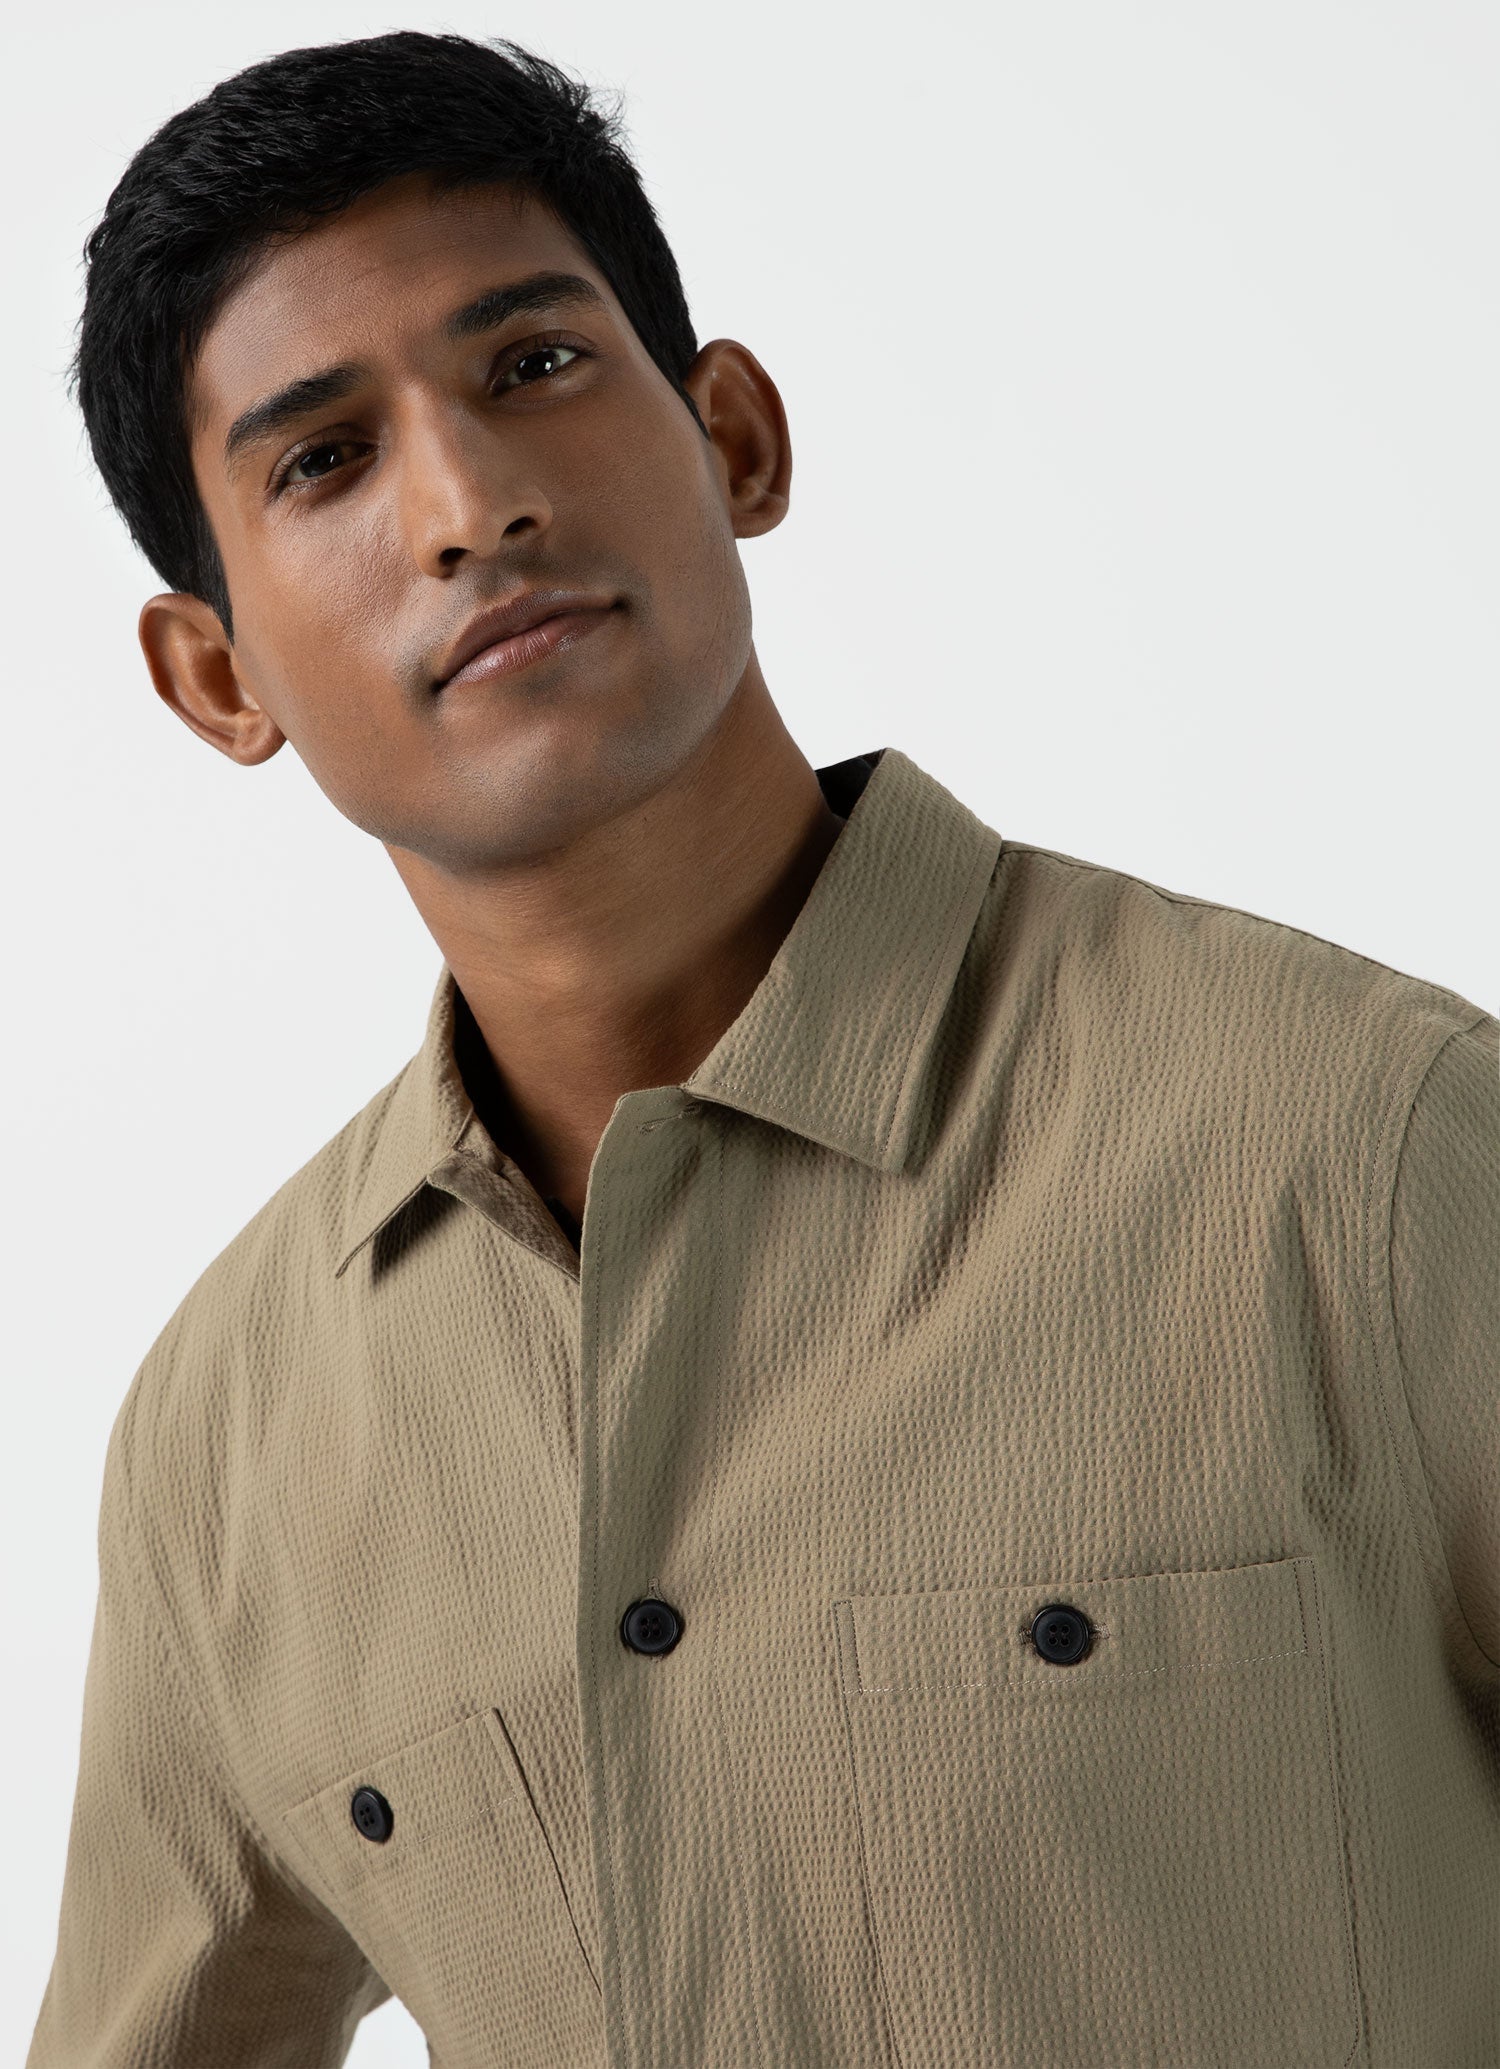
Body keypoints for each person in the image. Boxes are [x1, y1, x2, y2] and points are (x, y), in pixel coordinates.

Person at [26, 29, 1498, 2069]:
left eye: (535, 363)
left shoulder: (1363, 1146)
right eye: (323, 461)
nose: (468, 503)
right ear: (215, 676)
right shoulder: (228, 1445)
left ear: (734, 438)